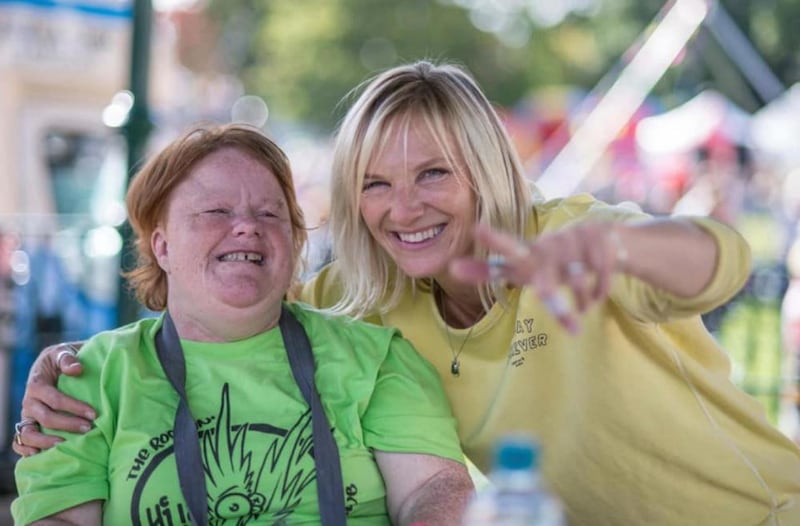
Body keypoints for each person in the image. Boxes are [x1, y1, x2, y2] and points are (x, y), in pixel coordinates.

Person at [15, 61, 800, 525]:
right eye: (376, 184)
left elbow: (722, 261)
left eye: (433, 174)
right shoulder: (368, 294)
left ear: (485, 171)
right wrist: (65, 363)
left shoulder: (569, 235)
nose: (404, 207)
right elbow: (229, 301)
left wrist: (618, 245)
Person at [11, 122, 473, 525]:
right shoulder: (85, 380)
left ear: (293, 244)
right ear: (162, 246)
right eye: (216, 211)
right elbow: (61, 519)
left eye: (270, 214)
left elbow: (433, 490)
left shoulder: (377, 359)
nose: (247, 227)